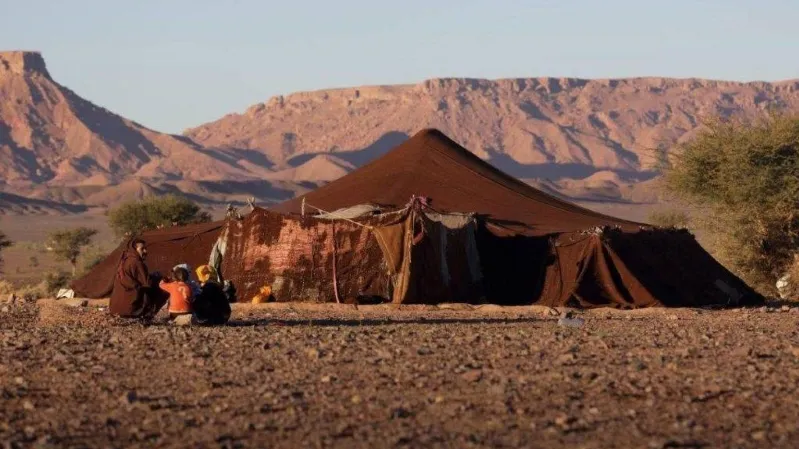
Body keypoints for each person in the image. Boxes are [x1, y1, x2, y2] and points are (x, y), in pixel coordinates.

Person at [109, 238, 168, 319]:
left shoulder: (125, 260)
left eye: (145, 248)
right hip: (130, 309)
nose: (145, 251)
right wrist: (160, 278)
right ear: (135, 249)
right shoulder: (137, 262)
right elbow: (147, 283)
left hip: (115, 309)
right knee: (164, 289)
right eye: (142, 249)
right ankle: (147, 315)